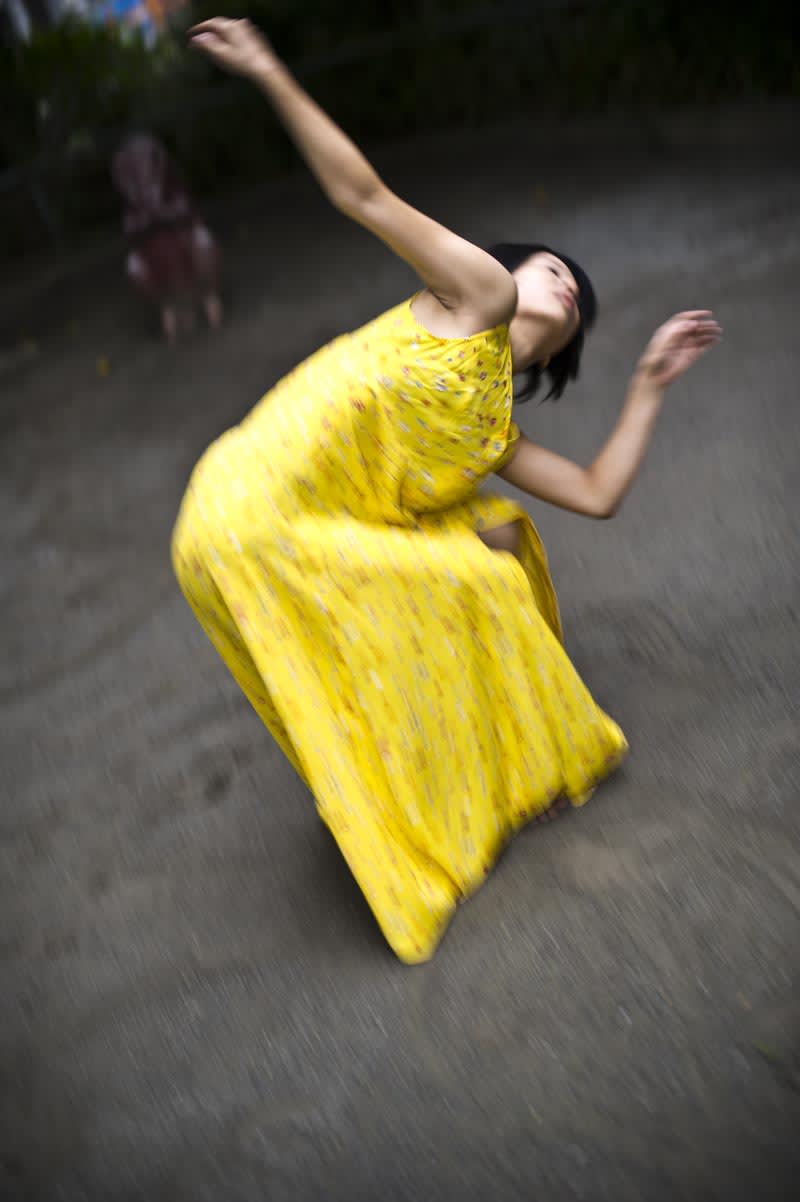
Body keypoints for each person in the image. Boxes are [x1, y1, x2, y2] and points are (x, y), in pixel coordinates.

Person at [171, 18, 721, 963]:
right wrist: (267, 69)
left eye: (577, 298)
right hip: (246, 509)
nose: (567, 287)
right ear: (509, 267)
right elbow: (361, 193)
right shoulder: (478, 298)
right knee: (478, 569)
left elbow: (595, 492)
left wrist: (647, 384)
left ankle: (452, 772)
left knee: (501, 536)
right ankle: (476, 775)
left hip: (262, 532)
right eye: (553, 268)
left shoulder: (493, 432)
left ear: (562, 349)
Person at [111, 132, 224, 344]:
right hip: (155, 260)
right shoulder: (132, 204)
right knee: (135, 267)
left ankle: (209, 298)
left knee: (203, 243)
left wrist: (157, 213)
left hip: (187, 249)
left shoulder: (173, 189)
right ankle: (170, 309)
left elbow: (185, 211)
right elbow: (132, 230)